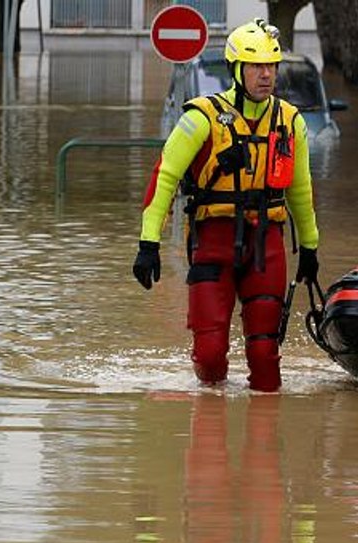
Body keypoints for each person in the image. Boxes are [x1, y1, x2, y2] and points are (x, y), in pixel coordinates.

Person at [132, 18, 320, 393]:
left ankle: (264, 440)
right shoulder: (200, 118)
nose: (266, 75)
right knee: (210, 354)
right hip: (212, 242)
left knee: (266, 359)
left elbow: (301, 190)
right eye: (256, 67)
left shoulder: (290, 121)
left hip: (266, 243)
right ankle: (209, 427)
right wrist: (147, 244)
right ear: (237, 70)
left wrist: (311, 248)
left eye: (271, 66)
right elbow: (165, 176)